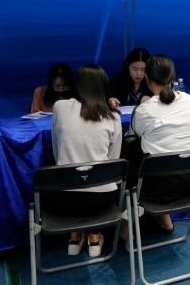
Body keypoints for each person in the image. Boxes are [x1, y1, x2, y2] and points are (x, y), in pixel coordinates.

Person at [48, 65, 122, 258]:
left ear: (77, 85)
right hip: (102, 199)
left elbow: (57, 150)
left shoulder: (60, 107)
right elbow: (113, 163)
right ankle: (94, 238)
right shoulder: (113, 116)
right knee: (101, 182)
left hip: (64, 198)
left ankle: (74, 237)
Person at [125, 54, 190, 234]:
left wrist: (144, 105)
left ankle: (125, 228)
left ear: (147, 77)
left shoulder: (144, 110)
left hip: (157, 189)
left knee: (129, 156)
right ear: (173, 78)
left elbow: (131, 137)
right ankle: (164, 220)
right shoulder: (189, 100)